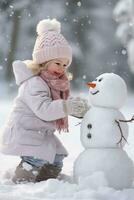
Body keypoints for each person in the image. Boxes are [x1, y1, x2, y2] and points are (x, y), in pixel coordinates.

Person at [0, 19, 89, 183]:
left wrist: (77, 107)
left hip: (40, 132)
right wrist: (66, 107)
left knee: (57, 157)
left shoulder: (54, 83)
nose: (62, 68)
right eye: (57, 63)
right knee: (36, 158)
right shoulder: (34, 83)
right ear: (43, 62)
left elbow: (61, 104)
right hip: (25, 131)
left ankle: (46, 180)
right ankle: (23, 181)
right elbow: (45, 110)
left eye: (65, 64)